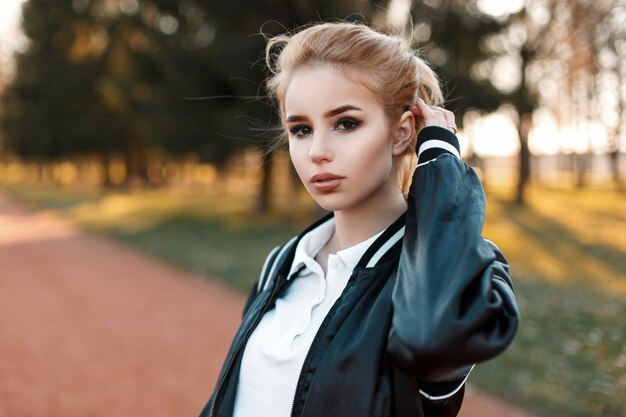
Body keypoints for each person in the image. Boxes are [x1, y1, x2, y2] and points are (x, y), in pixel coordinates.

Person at [198, 21, 519, 417]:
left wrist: (439, 158)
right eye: (300, 129)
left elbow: (429, 337)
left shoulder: (460, 266)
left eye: (346, 123)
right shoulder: (284, 263)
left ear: (402, 134)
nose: (317, 151)